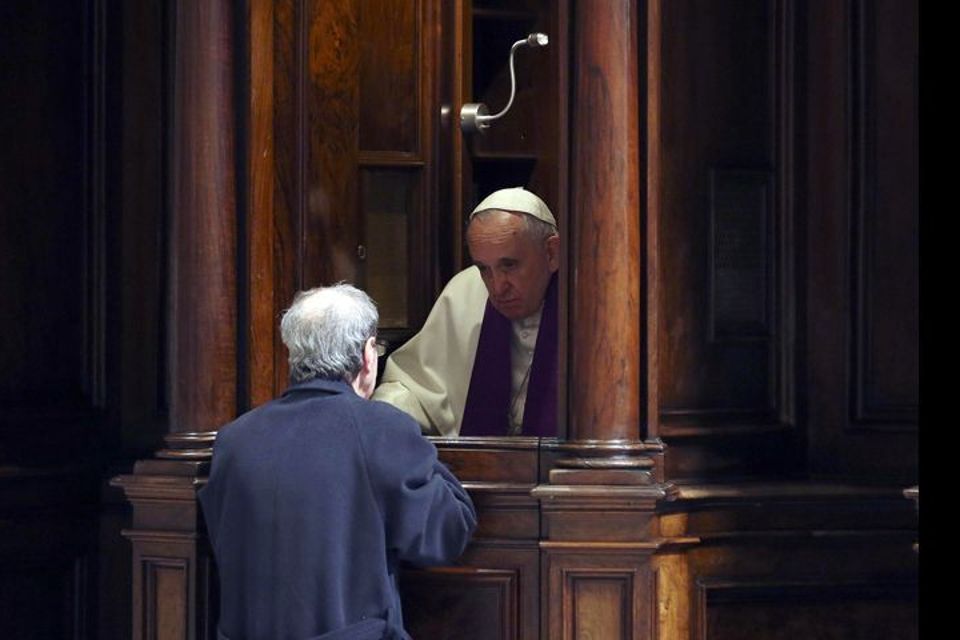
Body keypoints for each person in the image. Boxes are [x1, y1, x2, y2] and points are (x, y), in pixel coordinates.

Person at [198, 284, 477, 640]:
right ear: (367, 355)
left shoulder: (234, 439)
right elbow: (447, 534)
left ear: (294, 354)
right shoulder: (381, 429)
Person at [373, 187, 560, 437]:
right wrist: (381, 415)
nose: (497, 287)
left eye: (510, 265)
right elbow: (415, 388)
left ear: (551, 253)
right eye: (484, 269)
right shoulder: (465, 290)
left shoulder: (591, 303)